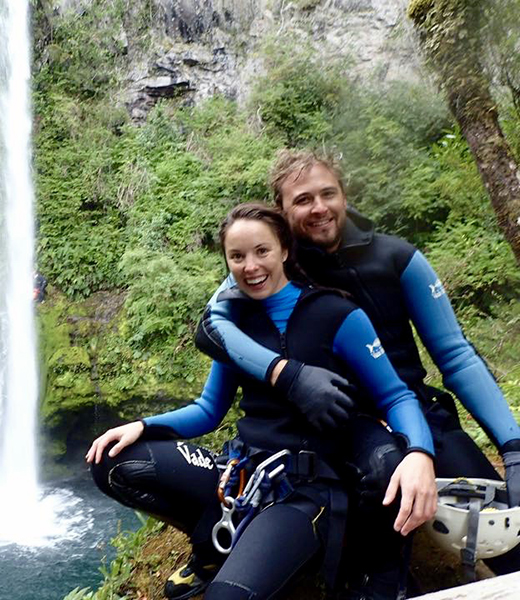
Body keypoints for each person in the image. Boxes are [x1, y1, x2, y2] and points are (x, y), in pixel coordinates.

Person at [196, 149, 520, 593]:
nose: (319, 207)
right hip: (324, 424)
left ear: (344, 194)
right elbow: (210, 328)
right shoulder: (269, 265)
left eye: (328, 193)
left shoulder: (396, 258)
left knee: (502, 535)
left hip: (409, 409)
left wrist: (513, 445)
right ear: (282, 210)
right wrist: (286, 375)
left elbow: (456, 356)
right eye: (302, 199)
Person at [87, 204, 437, 600]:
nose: (250, 266)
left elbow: (396, 395)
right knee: (112, 462)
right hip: (239, 472)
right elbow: (208, 409)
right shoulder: (234, 327)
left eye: (262, 251)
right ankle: (211, 547)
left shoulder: (337, 314)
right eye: (237, 256)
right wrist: (144, 425)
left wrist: (419, 453)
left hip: (303, 491)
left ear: (285, 250)